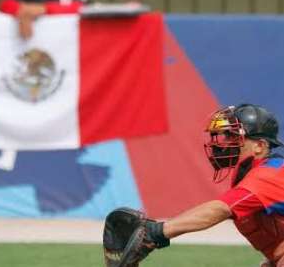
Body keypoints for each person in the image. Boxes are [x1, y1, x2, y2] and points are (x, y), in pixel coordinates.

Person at [106, 104, 284, 267]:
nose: (225, 142)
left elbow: (218, 210)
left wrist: (157, 232)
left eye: (234, 136)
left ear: (260, 146)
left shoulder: (267, 175)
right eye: (227, 136)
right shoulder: (250, 174)